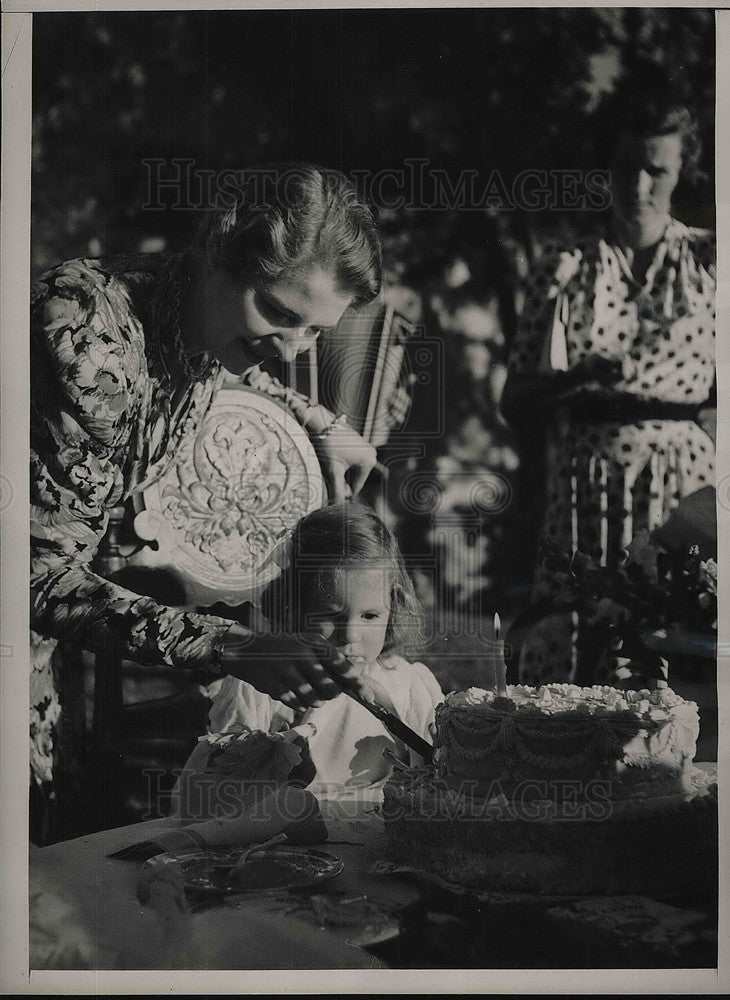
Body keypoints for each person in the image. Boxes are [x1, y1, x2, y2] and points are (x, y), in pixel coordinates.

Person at [30, 164, 383, 842]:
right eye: (279, 314)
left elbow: (228, 371)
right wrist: (235, 647)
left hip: (62, 679)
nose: (289, 350)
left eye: (314, 332)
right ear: (220, 245)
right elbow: (32, 577)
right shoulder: (82, 332)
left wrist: (319, 419)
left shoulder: (202, 332)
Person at [501, 93, 716, 685]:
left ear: (682, 173)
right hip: (589, 481)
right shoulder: (565, 267)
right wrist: (578, 377)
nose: (639, 184)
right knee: (581, 643)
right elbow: (514, 401)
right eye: (626, 167)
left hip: (683, 482)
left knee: (683, 635)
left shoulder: (711, 260)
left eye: (657, 169)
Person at [174, 500, 443, 815]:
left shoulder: (408, 685)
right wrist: (273, 765)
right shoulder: (261, 689)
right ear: (295, 610)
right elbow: (212, 799)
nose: (351, 635)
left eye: (370, 616)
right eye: (331, 615)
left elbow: (440, 776)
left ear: (393, 605)